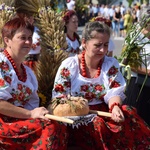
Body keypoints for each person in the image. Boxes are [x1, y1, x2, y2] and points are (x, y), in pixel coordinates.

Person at [52, 21, 150, 149]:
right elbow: (60, 96)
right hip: (76, 115)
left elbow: (115, 89)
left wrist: (115, 107)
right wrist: (80, 108)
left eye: (106, 45)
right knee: (98, 124)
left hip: (104, 111)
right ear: (84, 43)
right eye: (97, 45)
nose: (103, 50)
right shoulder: (69, 65)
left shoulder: (110, 64)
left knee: (129, 112)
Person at [0, 16, 67, 149]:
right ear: (7, 40)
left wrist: (39, 113)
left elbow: (32, 102)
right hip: (3, 122)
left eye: (30, 37)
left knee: (58, 124)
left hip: (20, 119)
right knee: (50, 129)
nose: (28, 42)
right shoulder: (1, 65)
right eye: (22, 37)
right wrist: (30, 114)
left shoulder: (27, 71)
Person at [124, 6, 150, 126]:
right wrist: (148, 72)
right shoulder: (136, 36)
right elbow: (128, 62)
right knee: (136, 122)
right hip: (138, 84)